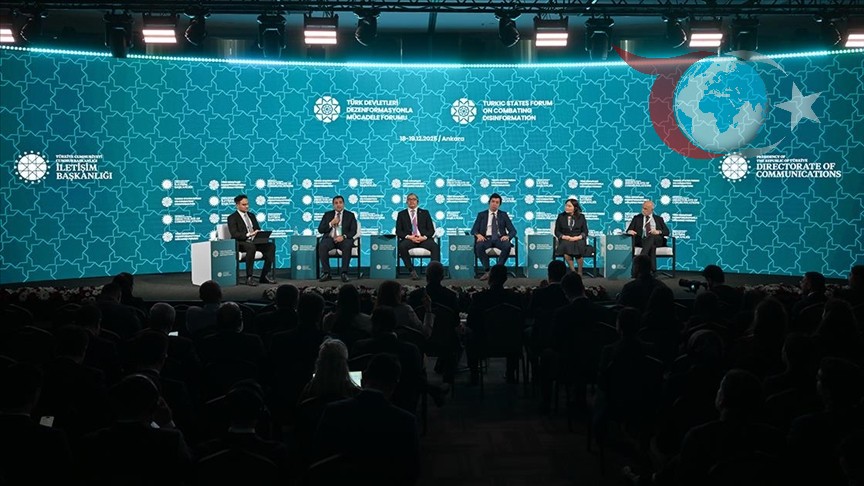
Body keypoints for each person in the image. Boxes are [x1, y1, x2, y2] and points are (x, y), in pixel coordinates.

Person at [313, 353, 421, 483]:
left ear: (364, 378)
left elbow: (318, 458)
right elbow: (411, 472)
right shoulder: (406, 422)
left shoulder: (333, 412)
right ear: (395, 384)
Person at [227, 194, 277, 286]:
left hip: (254, 241)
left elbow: (257, 228)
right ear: (237, 205)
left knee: (271, 246)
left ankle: (264, 276)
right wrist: (248, 234)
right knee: (251, 247)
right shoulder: (232, 217)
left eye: (247, 204)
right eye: (244, 204)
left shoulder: (251, 215)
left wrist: (258, 233)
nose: (247, 206)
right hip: (241, 243)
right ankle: (249, 277)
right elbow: (234, 234)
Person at [471, 193, 517, 281]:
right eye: (493, 201)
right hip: (486, 239)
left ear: (499, 204)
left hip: (500, 239)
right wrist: (478, 235)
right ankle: (487, 271)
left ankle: (497, 270)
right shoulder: (481, 215)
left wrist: (507, 236)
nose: (494, 204)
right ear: (489, 202)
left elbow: (513, 231)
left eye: (497, 202)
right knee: (479, 246)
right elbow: (474, 230)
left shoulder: (503, 215)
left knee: (507, 245)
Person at [395, 193, 440, 281]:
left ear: (417, 201)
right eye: (409, 199)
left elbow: (431, 230)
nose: (411, 201)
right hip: (410, 239)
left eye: (414, 199)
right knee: (402, 246)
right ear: (406, 202)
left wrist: (424, 237)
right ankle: (411, 271)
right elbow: (398, 231)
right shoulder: (401, 214)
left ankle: (433, 272)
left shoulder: (425, 213)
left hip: (423, 239)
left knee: (434, 246)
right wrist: (409, 237)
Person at [317, 195, 358, 283]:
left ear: (343, 204)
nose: (338, 205)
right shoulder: (327, 215)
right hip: (330, 239)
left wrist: (343, 237)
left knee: (347, 245)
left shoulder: (350, 215)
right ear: (333, 205)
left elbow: (353, 231)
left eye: (340, 202)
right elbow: (320, 229)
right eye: (336, 203)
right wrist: (331, 223)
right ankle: (326, 273)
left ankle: (344, 273)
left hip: (343, 239)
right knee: (322, 246)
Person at [625, 200, 669, 275]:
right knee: (652, 246)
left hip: (657, 240)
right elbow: (629, 230)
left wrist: (658, 232)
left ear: (651, 210)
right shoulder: (637, 218)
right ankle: (653, 271)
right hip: (642, 241)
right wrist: (630, 231)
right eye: (642, 208)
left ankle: (639, 263)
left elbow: (667, 231)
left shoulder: (658, 219)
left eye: (645, 209)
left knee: (652, 237)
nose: (643, 210)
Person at [554, 198, 589, 275]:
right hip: (566, 239)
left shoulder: (581, 217)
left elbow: (585, 231)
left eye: (569, 206)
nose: (567, 207)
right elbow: (557, 231)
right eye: (566, 206)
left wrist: (578, 237)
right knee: (566, 249)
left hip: (578, 239)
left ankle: (580, 272)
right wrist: (564, 236)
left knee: (578, 248)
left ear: (575, 208)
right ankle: (573, 272)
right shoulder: (561, 216)